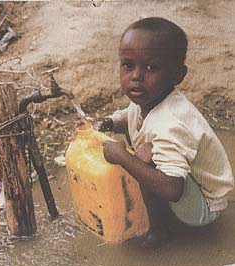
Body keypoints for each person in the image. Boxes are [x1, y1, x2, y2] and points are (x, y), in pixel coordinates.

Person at [98, 17, 234, 240]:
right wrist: (113, 122)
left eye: (151, 67)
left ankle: (158, 229)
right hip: (191, 187)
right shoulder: (149, 98)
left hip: (205, 209)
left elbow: (172, 188)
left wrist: (123, 157)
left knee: (143, 155)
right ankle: (158, 212)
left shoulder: (171, 124)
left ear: (178, 75)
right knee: (144, 156)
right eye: (128, 65)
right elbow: (131, 115)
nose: (136, 77)